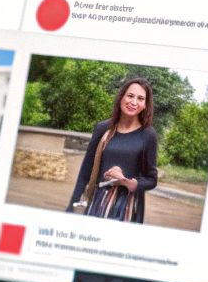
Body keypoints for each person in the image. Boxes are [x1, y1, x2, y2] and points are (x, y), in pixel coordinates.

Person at [65, 77, 159, 223]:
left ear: (145, 104)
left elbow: (152, 180)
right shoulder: (103, 128)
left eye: (140, 98)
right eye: (130, 96)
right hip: (98, 202)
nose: (134, 102)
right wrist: (71, 207)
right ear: (121, 96)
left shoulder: (148, 135)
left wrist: (126, 181)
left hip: (128, 208)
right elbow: (85, 171)